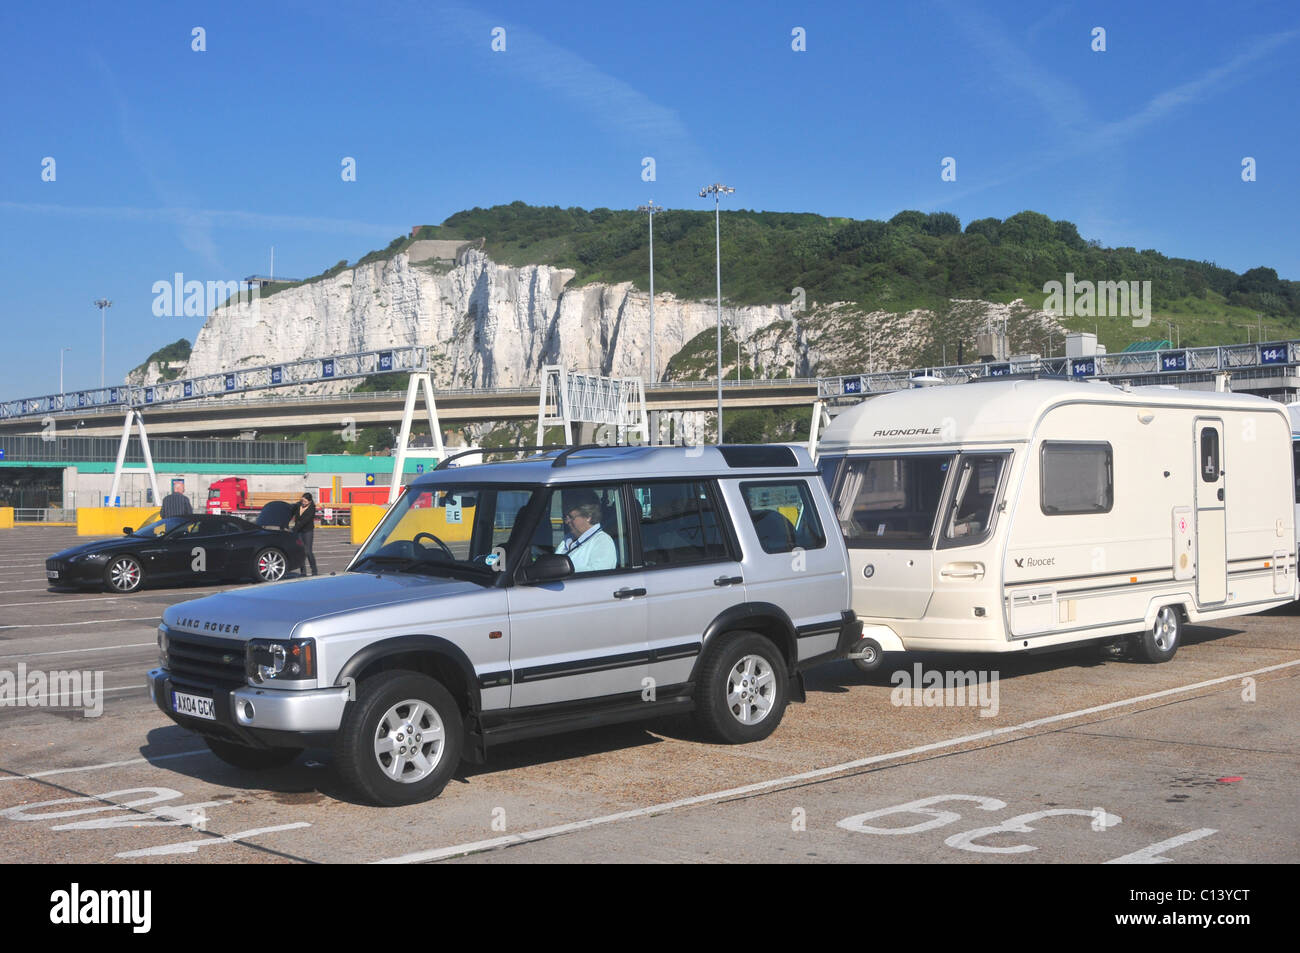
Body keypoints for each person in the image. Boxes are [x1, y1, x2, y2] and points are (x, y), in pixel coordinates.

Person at [555, 493, 616, 573]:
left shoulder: (602, 541)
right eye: (565, 517)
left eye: (571, 517)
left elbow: (599, 575)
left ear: (588, 516)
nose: (567, 522)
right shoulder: (567, 538)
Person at [292, 492, 319, 576]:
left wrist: (294, 529)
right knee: (301, 551)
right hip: (299, 531)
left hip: (307, 531)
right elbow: (291, 510)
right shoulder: (298, 505)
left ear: (309, 502)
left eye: (305, 502)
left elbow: (305, 521)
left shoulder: (312, 509)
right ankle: (303, 572)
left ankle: (314, 570)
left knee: (308, 551)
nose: (303, 503)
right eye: (302, 501)